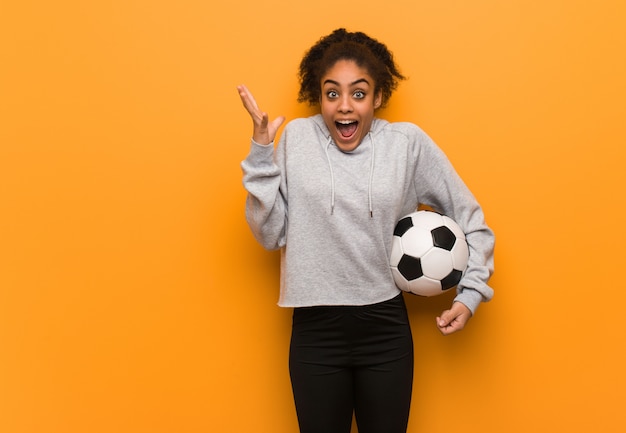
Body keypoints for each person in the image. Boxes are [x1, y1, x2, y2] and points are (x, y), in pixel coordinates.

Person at [238, 28, 494, 433]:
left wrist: (471, 294)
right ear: (319, 97)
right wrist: (261, 154)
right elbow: (270, 235)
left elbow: (471, 219)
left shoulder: (406, 144)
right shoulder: (297, 140)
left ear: (377, 98)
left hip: (385, 329)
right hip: (314, 330)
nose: (344, 107)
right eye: (332, 93)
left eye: (358, 93)